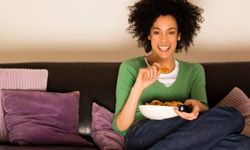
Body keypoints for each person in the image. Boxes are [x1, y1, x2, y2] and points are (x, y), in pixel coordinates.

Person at [112, 0, 250, 149]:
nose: (164, 39)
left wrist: (197, 106)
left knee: (242, 138)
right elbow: (121, 128)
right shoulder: (131, 68)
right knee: (233, 120)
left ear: (179, 35)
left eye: (171, 32)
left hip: (185, 130)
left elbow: (203, 113)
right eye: (157, 32)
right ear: (149, 35)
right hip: (142, 134)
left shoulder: (194, 71)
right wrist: (138, 88)